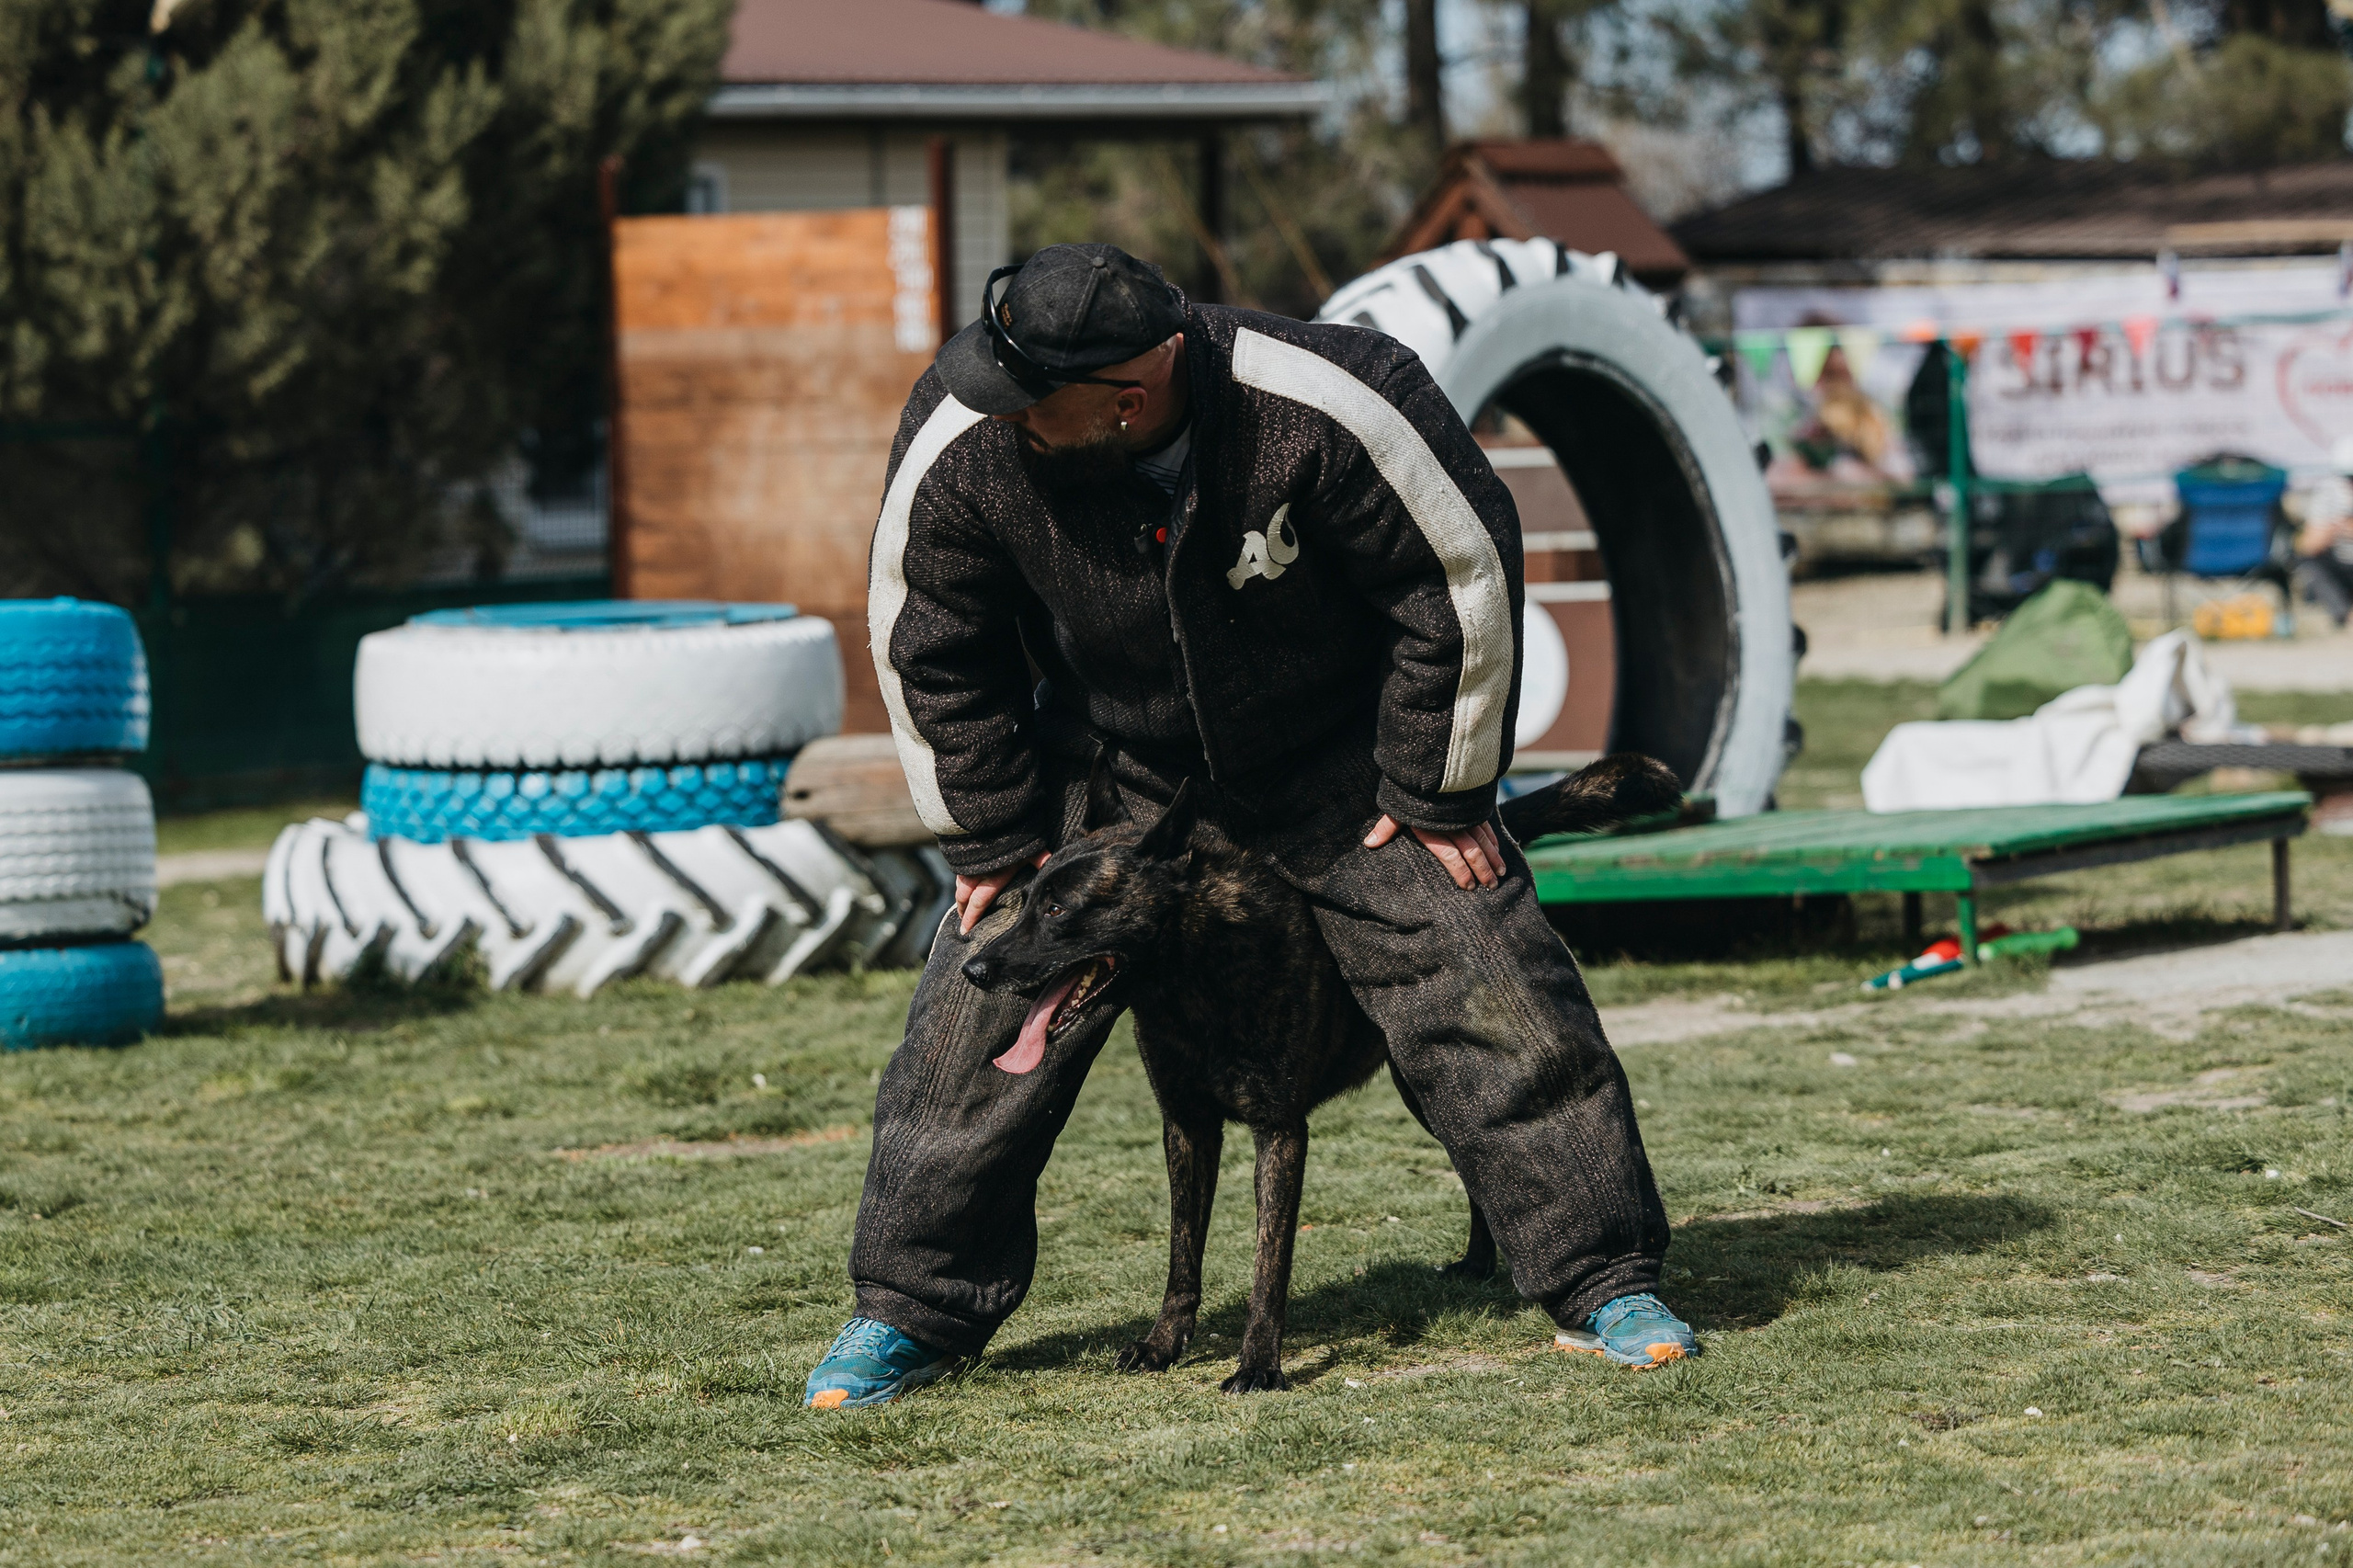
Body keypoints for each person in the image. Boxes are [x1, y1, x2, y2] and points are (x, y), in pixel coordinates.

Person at [803, 244, 1696, 1411]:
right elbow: (927, 644)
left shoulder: (1326, 398)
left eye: (1036, 406)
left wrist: (1434, 788)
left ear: (1132, 395)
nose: (1000, 415)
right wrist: (990, 835)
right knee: (976, 1016)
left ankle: (1602, 1277)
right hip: (1109, 767)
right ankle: (905, 1313)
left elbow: (1458, 575)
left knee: (1487, 968)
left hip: (1339, 766)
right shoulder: (970, 429)